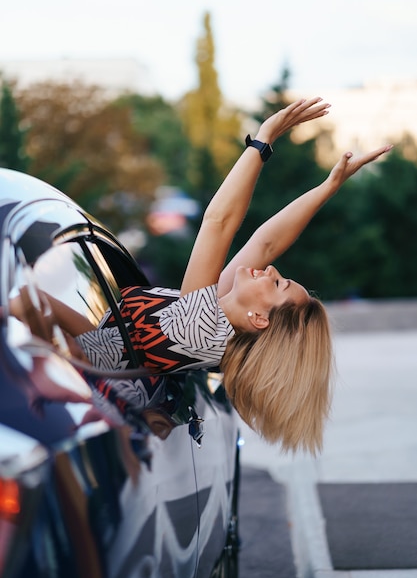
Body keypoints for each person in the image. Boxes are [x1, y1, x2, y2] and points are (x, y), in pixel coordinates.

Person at [10, 98, 393, 453]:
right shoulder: (223, 323)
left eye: (277, 284)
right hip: (68, 365)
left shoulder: (204, 328)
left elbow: (219, 222)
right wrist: (329, 186)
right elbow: (264, 244)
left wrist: (262, 142)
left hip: (49, 381)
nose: (273, 271)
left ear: (259, 318)